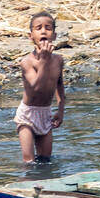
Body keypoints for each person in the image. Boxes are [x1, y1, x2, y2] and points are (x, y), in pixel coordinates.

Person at [15, 12, 65, 162]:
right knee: (29, 162)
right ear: (31, 36)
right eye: (38, 28)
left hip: (45, 113)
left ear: (54, 36)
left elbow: (60, 86)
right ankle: (27, 184)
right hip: (28, 115)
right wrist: (43, 60)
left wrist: (61, 110)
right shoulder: (27, 62)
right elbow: (36, 87)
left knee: (45, 160)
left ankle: (44, 184)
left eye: (48, 28)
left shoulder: (58, 60)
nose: (43, 31)